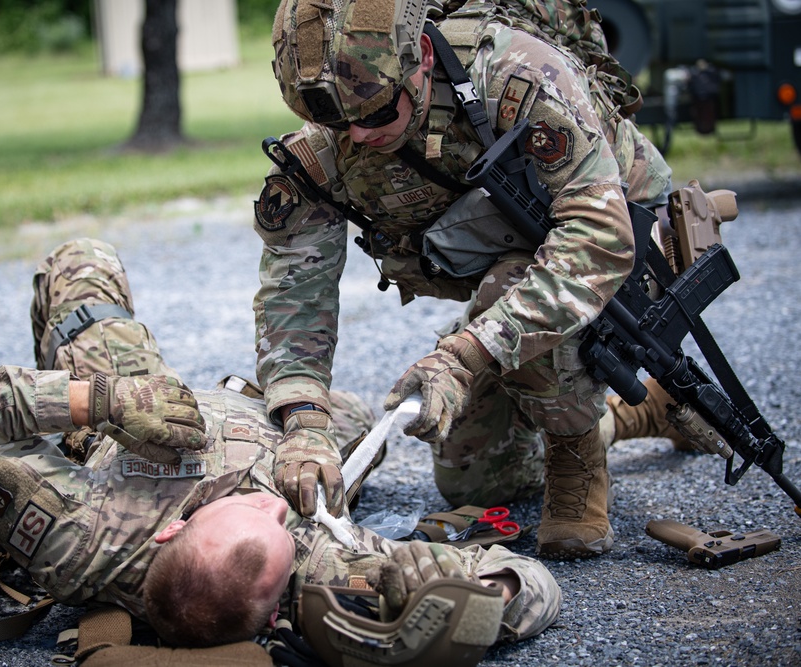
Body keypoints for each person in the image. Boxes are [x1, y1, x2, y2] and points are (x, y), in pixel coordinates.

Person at [0, 238, 561, 657]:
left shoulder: (87, 537)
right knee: (369, 416)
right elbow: (538, 586)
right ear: (280, 593)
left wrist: (101, 402)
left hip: (142, 414)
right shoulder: (318, 564)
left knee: (83, 261)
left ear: (170, 532)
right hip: (302, 436)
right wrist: (475, 591)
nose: (275, 507)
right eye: (286, 526)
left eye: (251, 513)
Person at [252, 0, 687, 561]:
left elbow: (598, 236)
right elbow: (293, 300)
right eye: (335, 122)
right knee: (481, 483)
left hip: (627, 249)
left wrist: (463, 355)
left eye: (376, 111)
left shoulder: (516, 74)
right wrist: (304, 420)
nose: (356, 136)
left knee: (507, 294)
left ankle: (576, 449)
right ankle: (641, 411)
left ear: (423, 58)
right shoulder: (324, 149)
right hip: (507, 272)